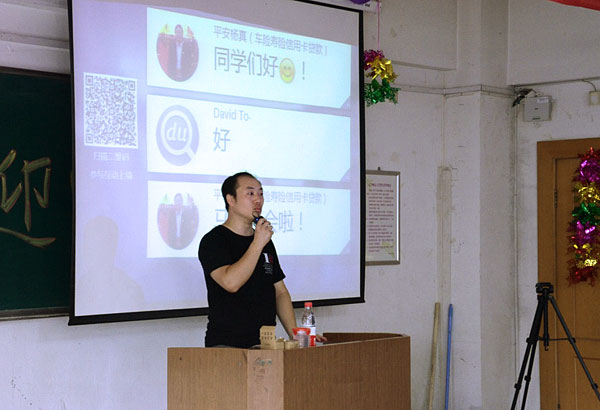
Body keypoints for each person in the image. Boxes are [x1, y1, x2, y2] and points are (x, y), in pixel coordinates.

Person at [197, 172, 296, 348]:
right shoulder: (214, 240)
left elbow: (280, 291)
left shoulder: (264, 241)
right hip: (226, 345)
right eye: (250, 193)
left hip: (264, 344)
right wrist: (257, 243)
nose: (258, 200)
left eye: (261, 193)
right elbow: (231, 283)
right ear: (231, 200)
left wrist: (296, 335)